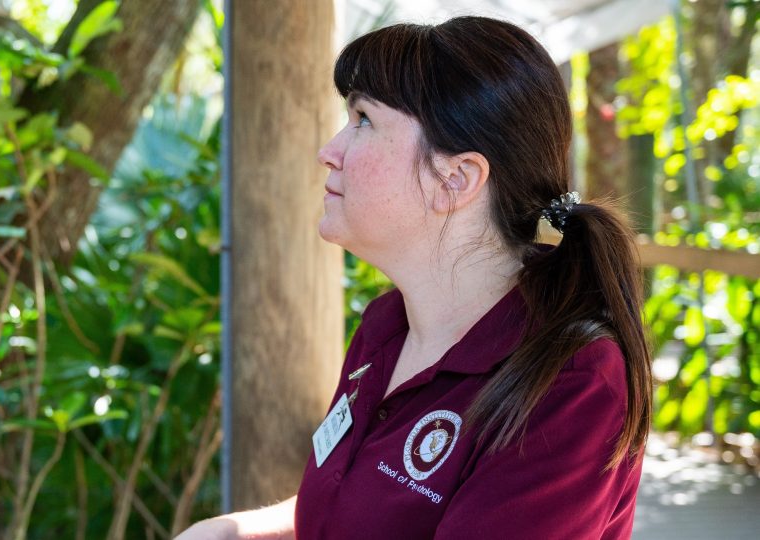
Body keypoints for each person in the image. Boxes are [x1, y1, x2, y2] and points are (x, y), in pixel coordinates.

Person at [178, 16, 652, 539]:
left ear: (456, 179)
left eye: (363, 119)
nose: (328, 151)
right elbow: (362, 506)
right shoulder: (386, 327)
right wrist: (233, 531)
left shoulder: (572, 382)